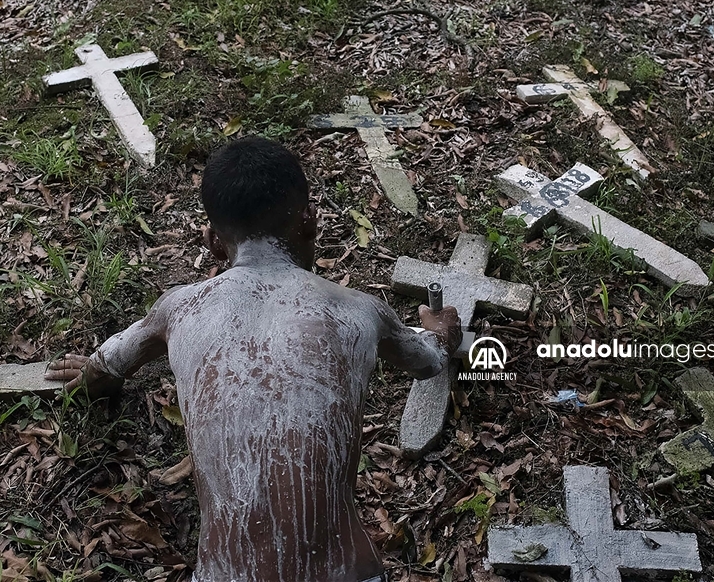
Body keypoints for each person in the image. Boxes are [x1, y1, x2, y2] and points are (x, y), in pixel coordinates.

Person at [47, 136, 461, 582]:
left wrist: (94, 374)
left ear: (212, 242)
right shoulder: (357, 310)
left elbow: (107, 364)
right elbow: (430, 361)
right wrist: (441, 331)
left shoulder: (178, 309)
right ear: (311, 222)